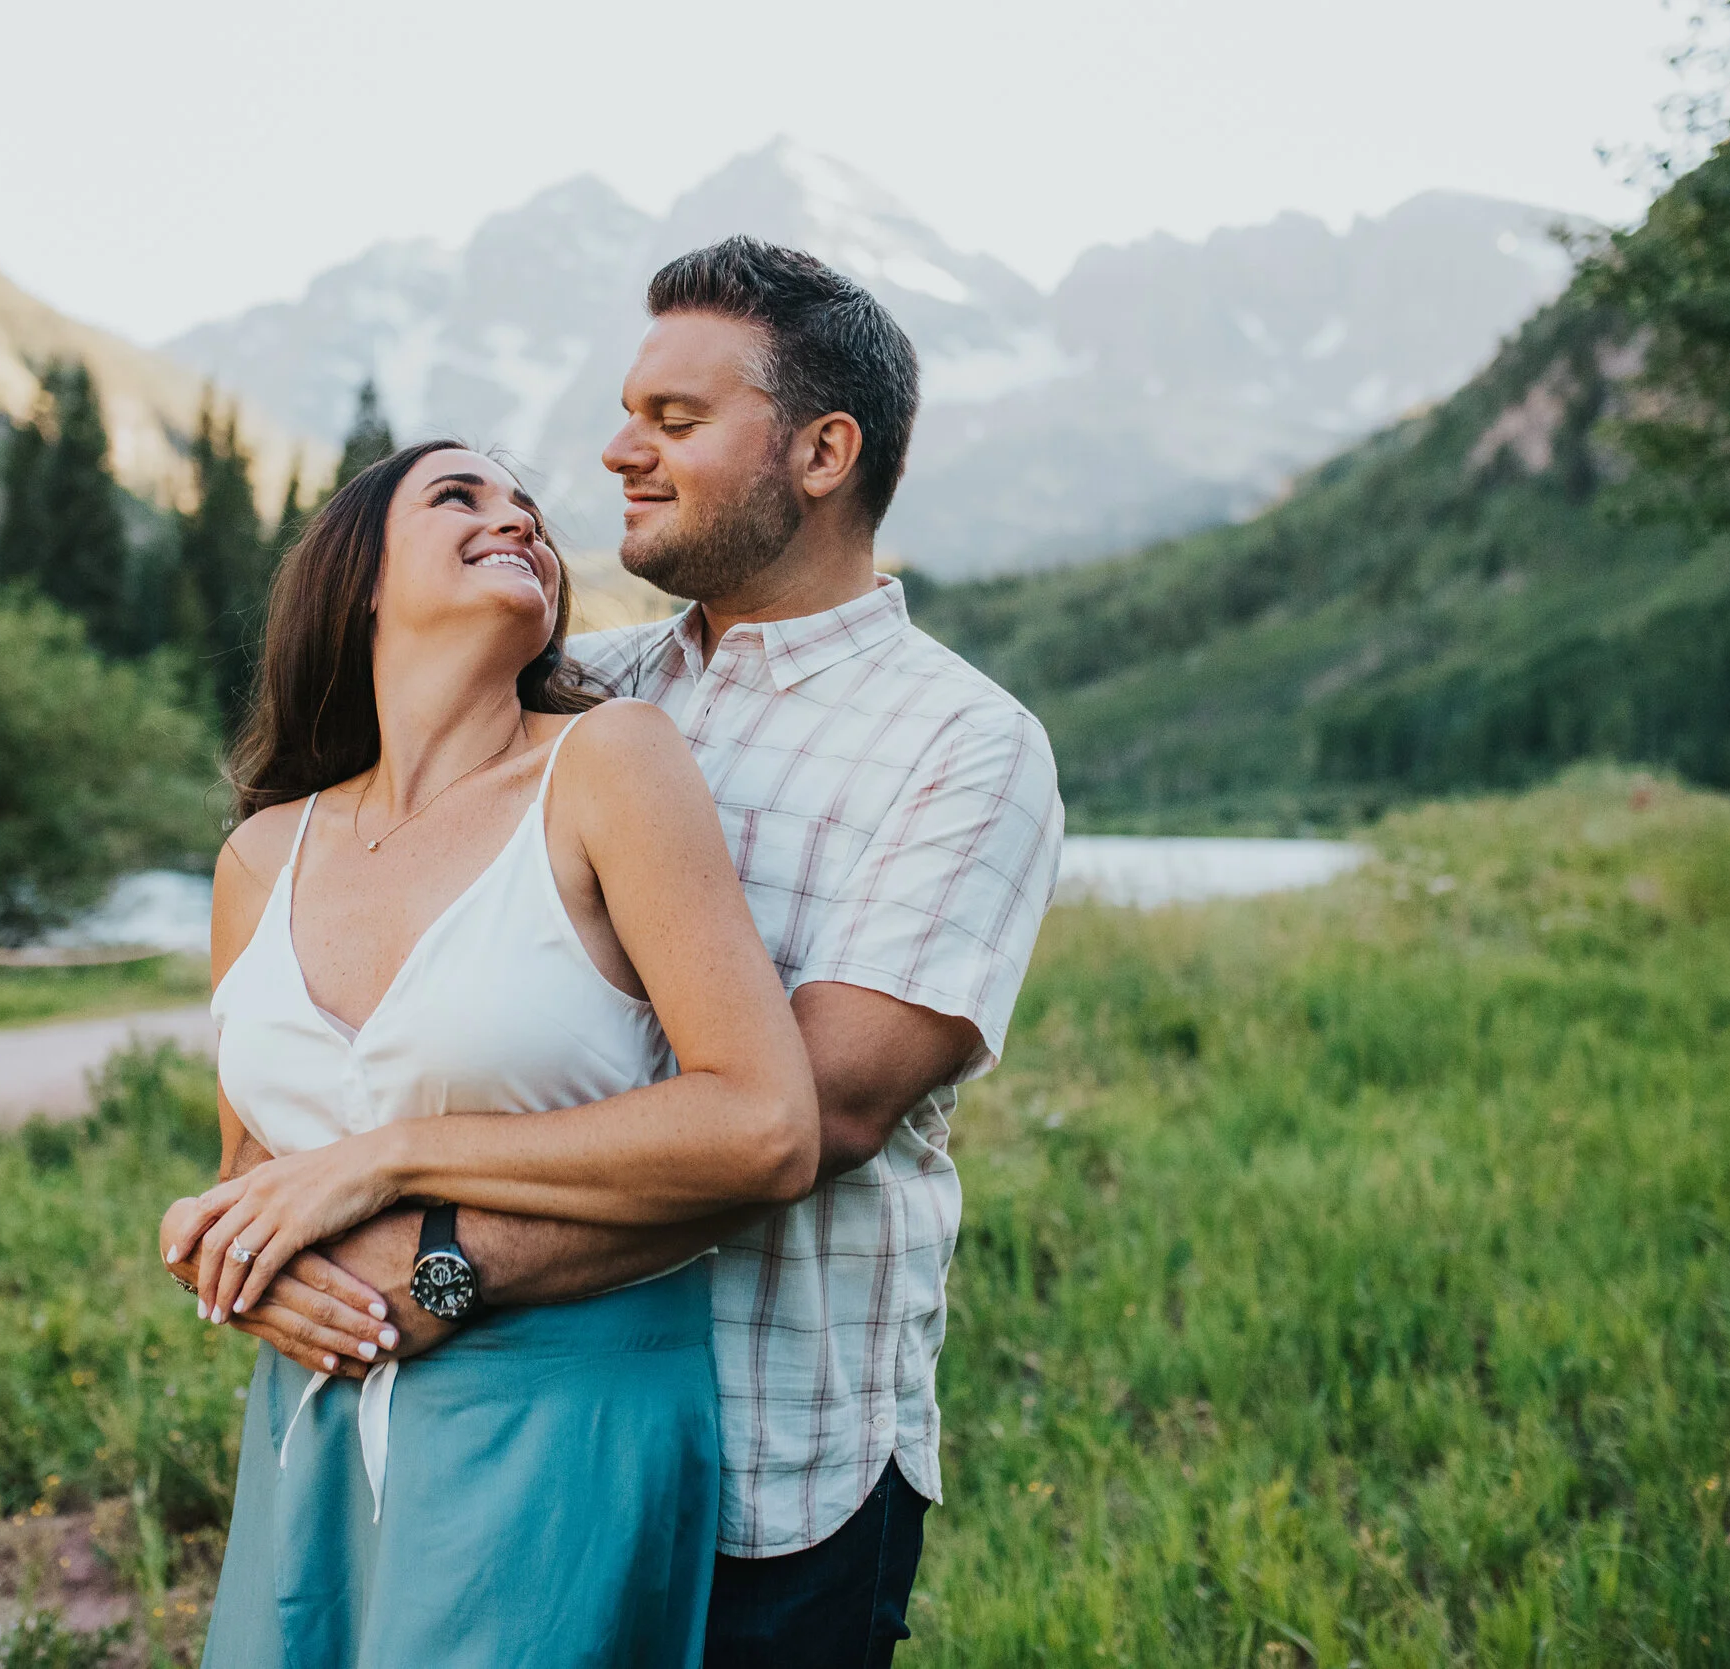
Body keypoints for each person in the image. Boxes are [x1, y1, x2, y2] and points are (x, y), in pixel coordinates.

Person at [183, 236, 1065, 1666]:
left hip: (779, 1456)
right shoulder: (581, 693)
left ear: (823, 452)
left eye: (675, 419)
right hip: (450, 1440)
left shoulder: (964, 747)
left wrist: (427, 1262)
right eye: (624, 415)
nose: (615, 455)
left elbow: (815, 1117)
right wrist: (260, 1253)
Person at [161, 438, 820, 1667]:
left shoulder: (609, 763)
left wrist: (395, 1157)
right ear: (359, 577)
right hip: (308, 1426)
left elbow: (764, 1125)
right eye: (458, 497)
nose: (516, 520)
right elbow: (253, 1160)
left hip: (561, 1419)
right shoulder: (259, 855)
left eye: (528, 510)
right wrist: (226, 1253)